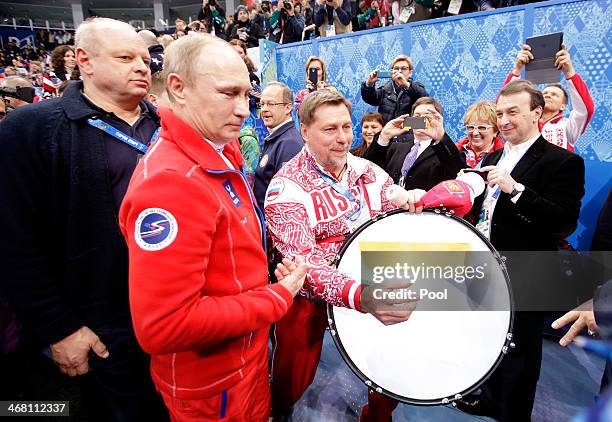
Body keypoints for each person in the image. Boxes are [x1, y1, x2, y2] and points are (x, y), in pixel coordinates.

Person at [118, 33, 307, 421]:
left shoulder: (213, 153)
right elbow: (164, 325)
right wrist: (275, 297)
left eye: (246, 96)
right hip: (214, 385)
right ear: (178, 88)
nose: (242, 109)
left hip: (239, 365)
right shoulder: (172, 183)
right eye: (227, 94)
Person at [0, 17, 168, 422]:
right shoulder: (31, 129)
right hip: (97, 332)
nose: (142, 67)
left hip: (167, 322)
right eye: (126, 57)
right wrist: (59, 327)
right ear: (84, 61)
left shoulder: (168, 125)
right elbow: (13, 240)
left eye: (145, 59)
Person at [265, 89, 423, 421]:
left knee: (386, 357)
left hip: (369, 280)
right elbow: (303, 267)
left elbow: (390, 199)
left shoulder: (368, 170)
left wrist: (409, 199)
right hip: (312, 295)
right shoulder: (286, 186)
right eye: (330, 130)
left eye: (346, 127)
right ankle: (278, 410)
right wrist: (358, 294)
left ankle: (379, 414)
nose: (342, 139)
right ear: (305, 132)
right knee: (292, 372)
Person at [458, 80, 585, 421]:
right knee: (488, 340)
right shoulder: (494, 155)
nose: (504, 120)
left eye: (513, 112)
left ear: (537, 113)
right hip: (484, 266)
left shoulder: (563, 162)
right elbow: (486, 212)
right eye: (500, 113)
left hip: (528, 270)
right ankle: (489, 398)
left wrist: (515, 189)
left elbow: (563, 222)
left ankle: (513, 414)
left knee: (520, 352)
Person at [503, 43, 594, 151]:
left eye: (554, 95)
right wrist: (517, 69)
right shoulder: (526, 122)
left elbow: (585, 110)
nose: (548, 95)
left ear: (563, 106)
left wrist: (569, 71)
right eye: (544, 93)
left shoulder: (568, 127)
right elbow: (504, 105)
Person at [366, 97, 467, 191]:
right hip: (392, 207)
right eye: (417, 116)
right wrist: (384, 136)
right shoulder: (396, 147)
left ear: (437, 120)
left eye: (427, 117)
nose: (420, 120)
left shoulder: (445, 152)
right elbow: (368, 169)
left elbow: (458, 174)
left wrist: (441, 137)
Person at [254, 82, 303, 210]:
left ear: (288, 108)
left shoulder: (289, 144)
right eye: (262, 104)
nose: (264, 109)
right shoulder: (278, 138)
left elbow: (287, 201)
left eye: (271, 104)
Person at [361, 54, 428, 124]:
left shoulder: (416, 88)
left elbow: (425, 100)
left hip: (408, 132)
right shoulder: (384, 89)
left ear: (410, 73)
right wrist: (369, 84)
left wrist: (406, 85)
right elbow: (370, 99)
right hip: (387, 133)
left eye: (404, 68)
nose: (399, 71)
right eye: (396, 68)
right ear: (391, 71)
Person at [456, 100, 504, 168]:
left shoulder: (504, 158)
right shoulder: (455, 153)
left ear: (496, 130)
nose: (475, 133)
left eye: (482, 127)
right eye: (471, 127)